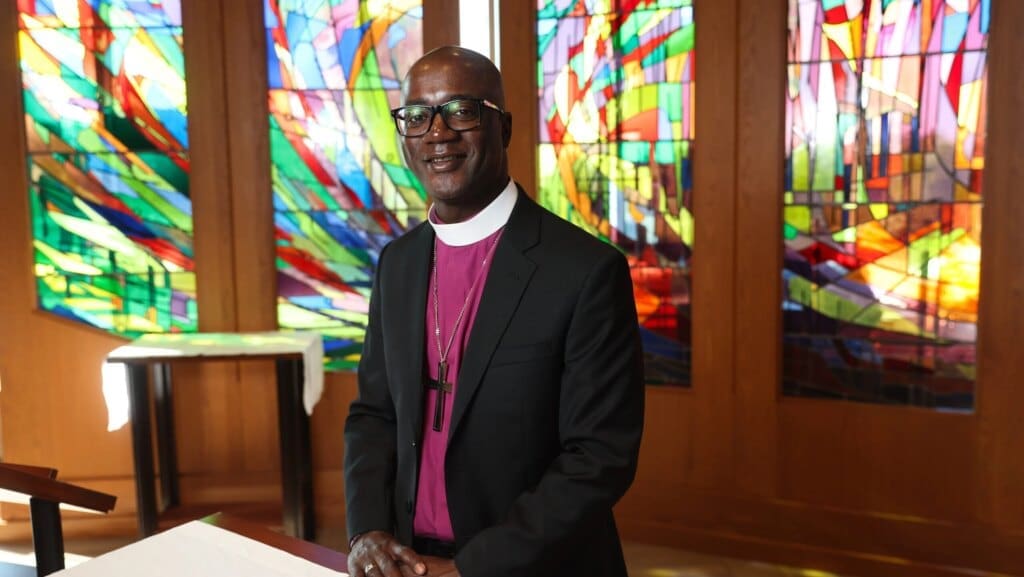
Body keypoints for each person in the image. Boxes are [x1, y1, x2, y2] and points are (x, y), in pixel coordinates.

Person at [343, 45, 645, 577]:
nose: (437, 133)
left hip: (534, 565)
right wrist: (367, 529)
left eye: (461, 110)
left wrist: (472, 568)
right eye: (417, 116)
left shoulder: (585, 270)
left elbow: (599, 458)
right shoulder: (398, 264)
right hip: (408, 560)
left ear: (502, 127)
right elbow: (374, 414)